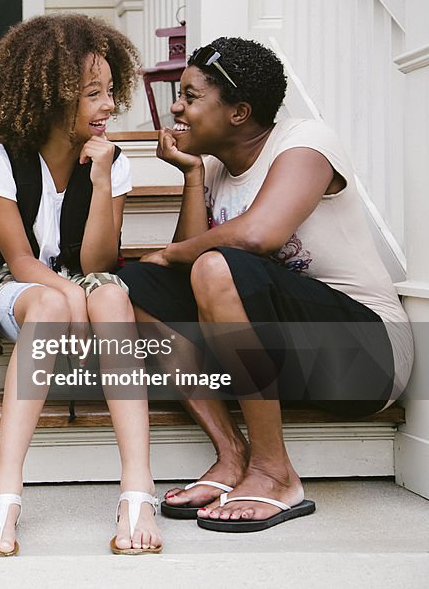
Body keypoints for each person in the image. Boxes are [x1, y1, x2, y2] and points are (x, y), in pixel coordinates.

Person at [119, 37, 413, 532]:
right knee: (139, 285)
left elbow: (259, 235)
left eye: (191, 96)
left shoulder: (305, 143)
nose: (176, 106)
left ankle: (275, 473)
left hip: (367, 357)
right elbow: (179, 275)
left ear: (239, 112)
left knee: (213, 265)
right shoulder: (214, 168)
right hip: (293, 360)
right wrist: (192, 176)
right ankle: (232, 455)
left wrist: (173, 252)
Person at [0, 14, 161, 556]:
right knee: (50, 302)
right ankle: (3, 490)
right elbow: (20, 259)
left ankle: (137, 489)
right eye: (93, 93)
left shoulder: (110, 163)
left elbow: (99, 260)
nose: (108, 106)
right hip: (23, 288)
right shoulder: (2, 160)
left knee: (114, 293)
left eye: (111, 91)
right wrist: (68, 294)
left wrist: (99, 180)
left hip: (87, 280)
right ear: (52, 97)